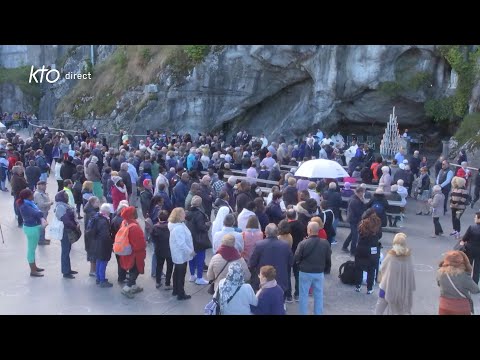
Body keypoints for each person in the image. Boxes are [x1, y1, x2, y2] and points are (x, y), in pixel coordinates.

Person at [294, 222, 332, 315]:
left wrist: (299, 265)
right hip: (319, 272)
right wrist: (326, 269)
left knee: (303, 295)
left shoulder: (303, 243)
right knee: (318, 295)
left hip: (305, 272)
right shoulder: (325, 243)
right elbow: (328, 258)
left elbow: (296, 258)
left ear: (309, 231)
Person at [375, 233, 415, 315]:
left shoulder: (391, 255)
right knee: (398, 311)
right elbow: (410, 273)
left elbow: (382, 268)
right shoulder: (408, 256)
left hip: (386, 287)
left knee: (379, 309)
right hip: (401, 288)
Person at [437, 251, 479, 315]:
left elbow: (439, 284)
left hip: (444, 305)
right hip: (460, 308)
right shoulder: (463, 276)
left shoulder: (440, 272)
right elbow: (475, 290)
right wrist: (468, 272)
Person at [119, 206, 147, 298]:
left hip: (128, 252)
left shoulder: (124, 222)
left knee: (132, 269)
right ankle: (127, 288)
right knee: (136, 270)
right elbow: (140, 243)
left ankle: (134, 286)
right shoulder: (134, 227)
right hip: (136, 253)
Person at [17, 189, 46, 277]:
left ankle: (34, 267)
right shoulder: (25, 205)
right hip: (31, 228)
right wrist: (40, 213)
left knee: (32, 249)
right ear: (28, 196)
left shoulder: (27, 203)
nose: (33, 195)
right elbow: (37, 213)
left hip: (32, 227)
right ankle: (33, 270)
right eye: (31, 194)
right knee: (31, 250)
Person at [168, 207, 194, 300]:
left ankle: (175, 290)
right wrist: (191, 252)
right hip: (181, 254)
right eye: (183, 213)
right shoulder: (178, 228)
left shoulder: (176, 225)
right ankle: (181, 294)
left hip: (177, 254)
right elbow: (182, 244)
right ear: (179, 216)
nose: (185, 215)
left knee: (176, 273)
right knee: (181, 275)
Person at [354, 209, 382, 294]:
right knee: (371, 269)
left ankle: (358, 286)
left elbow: (359, 233)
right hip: (372, 249)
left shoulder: (362, 223)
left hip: (361, 248)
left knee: (359, 267)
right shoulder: (377, 225)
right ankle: (369, 288)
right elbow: (380, 235)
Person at [185, 196, 211, 285]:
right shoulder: (199, 214)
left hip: (190, 239)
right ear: (200, 204)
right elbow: (201, 227)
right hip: (199, 240)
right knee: (200, 259)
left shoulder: (187, 213)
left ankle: (192, 275)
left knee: (191, 258)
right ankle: (199, 277)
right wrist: (207, 225)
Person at [54, 190, 79, 279]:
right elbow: (65, 220)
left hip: (67, 230)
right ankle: (65, 272)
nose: (67, 197)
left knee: (67, 250)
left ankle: (68, 269)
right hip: (65, 231)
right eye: (65, 195)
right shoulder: (61, 206)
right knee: (65, 251)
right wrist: (74, 226)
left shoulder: (64, 205)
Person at [90, 203, 113, 288]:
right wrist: (110, 243)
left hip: (96, 243)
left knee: (99, 261)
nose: (110, 214)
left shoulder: (97, 217)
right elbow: (105, 235)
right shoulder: (103, 221)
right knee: (103, 261)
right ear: (106, 212)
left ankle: (98, 278)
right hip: (103, 244)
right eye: (109, 212)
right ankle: (102, 281)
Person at [151, 210, 174, 289]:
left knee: (159, 266)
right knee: (169, 267)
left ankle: (158, 282)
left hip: (159, 249)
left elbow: (152, 238)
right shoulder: (170, 227)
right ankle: (167, 283)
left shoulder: (155, 227)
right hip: (169, 250)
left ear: (158, 218)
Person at [342, 187, 366, 255]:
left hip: (352, 218)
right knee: (355, 236)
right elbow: (359, 211)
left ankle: (344, 246)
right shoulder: (355, 201)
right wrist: (363, 203)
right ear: (360, 192)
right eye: (363, 192)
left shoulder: (354, 198)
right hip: (354, 219)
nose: (363, 193)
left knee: (352, 234)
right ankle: (353, 251)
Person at [459, 212, 480, 284]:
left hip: (470, 249)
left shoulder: (472, 227)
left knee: (468, 266)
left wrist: (462, 243)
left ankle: (466, 282)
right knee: (477, 269)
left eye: (476, 217)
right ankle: (475, 284)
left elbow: (465, 238)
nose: (474, 218)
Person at [33, 180, 53, 245]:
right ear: (40, 186)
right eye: (44, 185)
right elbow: (41, 204)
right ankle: (41, 240)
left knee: (43, 225)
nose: (45, 186)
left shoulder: (41, 193)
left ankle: (42, 238)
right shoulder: (38, 194)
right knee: (42, 226)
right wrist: (50, 203)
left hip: (44, 211)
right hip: (41, 212)